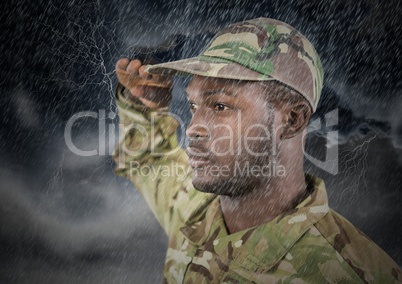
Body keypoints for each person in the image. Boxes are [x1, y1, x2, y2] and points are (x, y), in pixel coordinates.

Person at [113, 18, 401, 283]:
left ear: (292, 120)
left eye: (221, 105)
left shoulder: (351, 274)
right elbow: (149, 159)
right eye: (193, 106)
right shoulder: (198, 214)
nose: (192, 127)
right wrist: (142, 105)